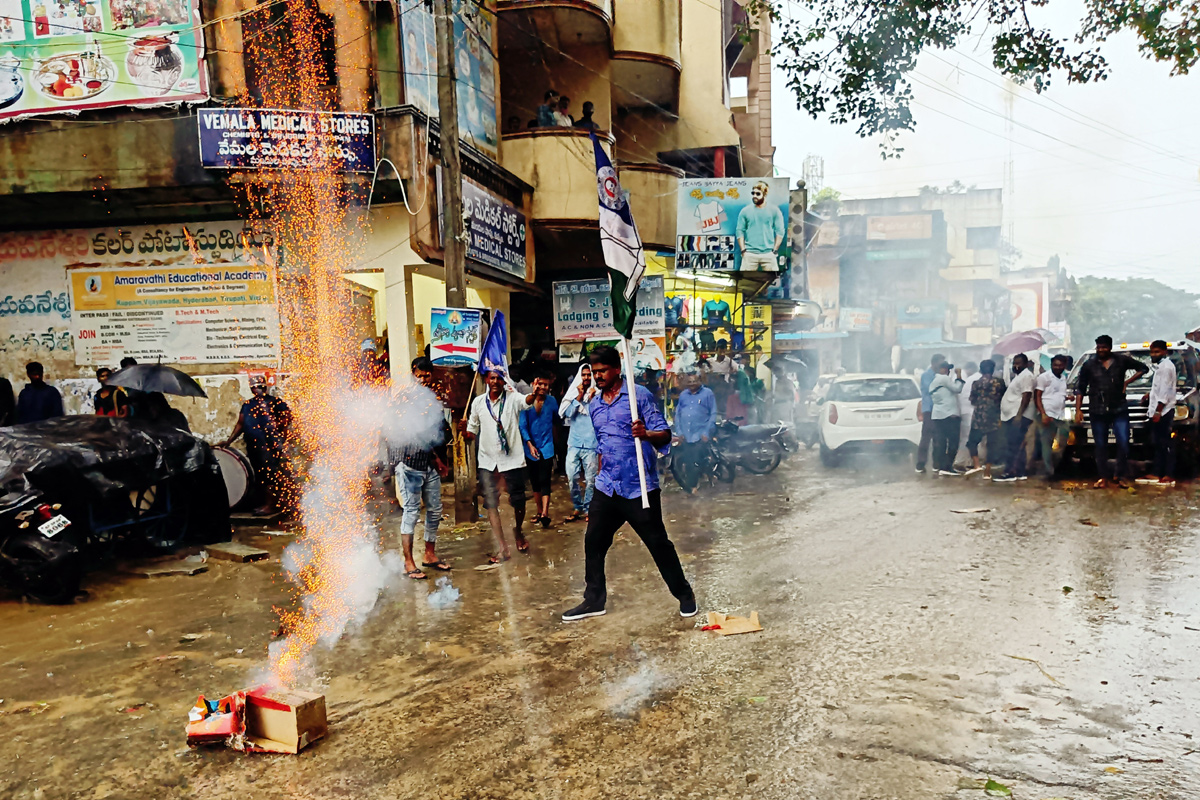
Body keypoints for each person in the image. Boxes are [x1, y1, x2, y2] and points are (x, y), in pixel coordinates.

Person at [562, 347, 697, 621]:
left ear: (616, 369)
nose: (597, 377)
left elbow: (665, 435)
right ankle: (594, 600)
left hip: (639, 488)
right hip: (607, 486)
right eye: (594, 372)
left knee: (659, 544)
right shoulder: (595, 404)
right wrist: (598, 477)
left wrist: (646, 433)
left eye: (602, 371)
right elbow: (603, 445)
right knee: (594, 542)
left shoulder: (639, 397)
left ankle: (685, 595)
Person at [460, 369, 537, 562]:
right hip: (488, 461)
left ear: (504, 382)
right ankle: (503, 547)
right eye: (492, 378)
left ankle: (518, 531)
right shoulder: (478, 402)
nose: (495, 381)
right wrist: (463, 431)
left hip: (511, 460)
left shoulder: (512, 398)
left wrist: (535, 393)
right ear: (486, 380)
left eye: (499, 378)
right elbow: (471, 434)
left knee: (518, 502)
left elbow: (527, 402)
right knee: (491, 503)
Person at [393, 357, 452, 579]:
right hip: (411, 463)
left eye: (428, 375)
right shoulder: (404, 399)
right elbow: (411, 432)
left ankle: (430, 554)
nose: (424, 379)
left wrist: (441, 457)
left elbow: (440, 429)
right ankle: (409, 562)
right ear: (413, 373)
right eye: (421, 375)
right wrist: (435, 458)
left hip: (431, 466)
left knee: (435, 510)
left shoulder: (432, 398)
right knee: (411, 512)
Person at [1074, 334, 1149, 488]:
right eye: (1099, 347)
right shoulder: (1089, 365)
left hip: (1119, 408)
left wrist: (1127, 382)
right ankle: (1103, 477)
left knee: (1123, 442)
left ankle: (1119, 475)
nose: (1101, 350)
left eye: (1104, 347)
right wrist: (1078, 410)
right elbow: (1080, 387)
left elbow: (1143, 368)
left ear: (1110, 347)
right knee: (1100, 445)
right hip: (1097, 409)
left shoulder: (1121, 360)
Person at [219, 375, 295, 515]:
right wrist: (229, 441)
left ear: (265, 387)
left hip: (270, 446)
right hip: (254, 446)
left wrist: (276, 426)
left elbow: (288, 417)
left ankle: (271, 505)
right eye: (255, 387)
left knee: (270, 475)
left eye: (260, 387)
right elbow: (241, 424)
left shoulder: (275, 402)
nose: (258, 389)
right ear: (251, 389)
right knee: (259, 476)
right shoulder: (248, 405)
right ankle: (264, 504)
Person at [519, 369, 559, 529]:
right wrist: (529, 444)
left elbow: (556, 420)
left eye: (546, 384)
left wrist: (557, 444)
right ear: (534, 384)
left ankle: (545, 514)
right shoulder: (526, 402)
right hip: (530, 447)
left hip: (547, 446)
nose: (543, 387)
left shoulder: (552, 401)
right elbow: (522, 426)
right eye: (540, 383)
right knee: (535, 481)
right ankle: (539, 510)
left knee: (545, 480)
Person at [560, 363, 599, 522]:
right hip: (574, 443)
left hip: (591, 444)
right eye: (584, 375)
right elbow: (566, 414)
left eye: (589, 375)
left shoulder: (598, 394)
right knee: (572, 477)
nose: (586, 378)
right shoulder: (573, 394)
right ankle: (577, 507)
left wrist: (594, 398)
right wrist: (578, 398)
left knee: (591, 480)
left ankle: (589, 509)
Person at [1137, 340, 1177, 487]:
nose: (1153, 355)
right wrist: (1149, 394)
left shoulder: (1165, 367)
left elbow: (1165, 391)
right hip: (1159, 409)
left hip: (1164, 411)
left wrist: (1158, 411)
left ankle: (1168, 474)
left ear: (1164, 352)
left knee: (1165, 444)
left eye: (1157, 352)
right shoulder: (1161, 367)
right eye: (1152, 352)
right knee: (1158, 444)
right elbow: (1160, 387)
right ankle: (1157, 472)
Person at [993, 354, 1036, 483]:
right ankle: (1019, 472)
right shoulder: (1019, 376)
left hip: (1018, 416)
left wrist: (1018, 415)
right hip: (1012, 415)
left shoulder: (1027, 376)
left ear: (1026, 364)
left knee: (1012, 444)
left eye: (1019, 363)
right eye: (1014, 364)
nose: (1016, 366)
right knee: (1017, 444)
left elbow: (1026, 396)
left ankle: (1010, 472)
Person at [672, 370, 717, 494]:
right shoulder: (683, 395)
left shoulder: (708, 394)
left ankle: (692, 488)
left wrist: (707, 432)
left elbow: (713, 414)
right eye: (689, 382)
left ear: (700, 381)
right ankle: (696, 482)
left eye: (694, 381)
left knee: (694, 461)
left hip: (700, 433)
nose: (692, 384)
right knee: (688, 460)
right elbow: (678, 414)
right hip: (686, 434)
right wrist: (679, 432)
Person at [1027, 354, 1071, 479]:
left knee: (1064, 439)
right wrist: (1043, 414)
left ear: (1064, 366)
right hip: (1047, 414)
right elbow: (1038, 396)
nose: (1057, 367)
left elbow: (1057, 394)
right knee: (1047, 442)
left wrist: (1068, 397)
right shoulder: (1044, 377)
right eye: (1055, 365)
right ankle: (1049, 471)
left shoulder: (1063, 378)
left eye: (1060, 365)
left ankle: (1055, 466)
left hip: (1060, 415)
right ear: (1051, 365)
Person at [964, 359, 1005, 478]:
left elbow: (972, 399)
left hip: (979, 417)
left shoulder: (976, 383)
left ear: (980, 370)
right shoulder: (999, 382)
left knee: (972, 442)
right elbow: (1003, 397)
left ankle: (976, 465)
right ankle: (987, 472)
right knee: (992, 445)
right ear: (993, 370)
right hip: (994, 417)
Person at [735, 181, 784, 272]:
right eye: (753, 193)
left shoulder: (774, 210)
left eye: (758, 193)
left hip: (768, 253)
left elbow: (780, 231)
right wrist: (743, 250)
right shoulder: (745, 211)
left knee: (772, 281)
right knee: (745, 283)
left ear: (764, 194)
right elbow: (739, 231)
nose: (754, 196)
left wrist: (775, 250)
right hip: (749, 253)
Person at [928, 361, 964, 476]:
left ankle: (941, 466)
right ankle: (947, 467)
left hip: (938, 416)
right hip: (949, 415)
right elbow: (957, 388)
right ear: (942, 369)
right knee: (953, 442)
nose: (949, 371)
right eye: (947, 369)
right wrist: (959, 376)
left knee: (941, 442)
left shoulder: (934, 381)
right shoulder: (943, 379)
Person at [915, 353, 946, 474]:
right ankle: (920, 464)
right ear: (934, 363)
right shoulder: (926, 375)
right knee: (926, 437)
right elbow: (931, 389)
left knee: (938, 438)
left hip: (940, 410)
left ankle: (936, 464)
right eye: (941, 363)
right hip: (929, 409)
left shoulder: (941, 376)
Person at [954, 361, 980, 469]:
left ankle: (967, 461)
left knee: (965, 437)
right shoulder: (976, 378)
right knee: (968, 438)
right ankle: (961, 462)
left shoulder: (971, 379)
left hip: (965, 411)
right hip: (970, 411)